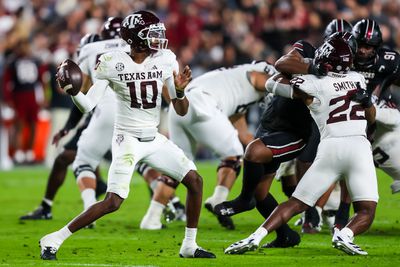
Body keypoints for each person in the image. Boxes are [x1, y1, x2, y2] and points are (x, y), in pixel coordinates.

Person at [39, 10, 215, 260]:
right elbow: (88, 105)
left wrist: (179, 91)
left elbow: (180, 109)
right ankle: (54, 238)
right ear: (135, 37)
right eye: (152, 34)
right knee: (113, 201)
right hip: (127, 139)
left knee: (195, 181)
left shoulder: (165, 59)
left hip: (153, 138)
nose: (158, 39)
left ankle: (189, 245)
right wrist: (72, 91)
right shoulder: (111, 61)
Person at [224, 37, 378, 256]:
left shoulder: (313, 82)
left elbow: (271, 83)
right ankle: (345, 235)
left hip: (330, 148)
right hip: (359, 148)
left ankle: (255, 236)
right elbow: (372, 119)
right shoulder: (358, 79)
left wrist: (304, 75)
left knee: (297, 202)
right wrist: (368, 102)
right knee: (367, 212)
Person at [140, 61, 276, 230]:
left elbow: (244, 136)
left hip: (181, 105)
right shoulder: (255, 75)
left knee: (177, 166)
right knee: (233, 155)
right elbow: (257, 78)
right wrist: (291, 87)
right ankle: (218, 200)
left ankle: (151, 218)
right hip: (202, 103)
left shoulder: (235, 85)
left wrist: (273, 152)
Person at [19, 34, 106, 220]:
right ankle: (170, 204)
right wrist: (68, 128)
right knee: (145, 161)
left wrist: (68, 127)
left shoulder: (96, 58)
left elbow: (85, 100)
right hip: (121, 120)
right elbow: (86, 100)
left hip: (106, 120)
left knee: (71, 158)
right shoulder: (121, 58)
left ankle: (53, 208)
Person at [334, 18, 400, 229]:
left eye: (368, 46)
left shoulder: (389, 61)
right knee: (337, 168)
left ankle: (337, 217)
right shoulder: (341, 56)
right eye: (360, 44)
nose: (362, 51)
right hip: (345, 121)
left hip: (378, 125)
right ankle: (322, 214)